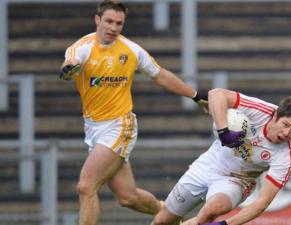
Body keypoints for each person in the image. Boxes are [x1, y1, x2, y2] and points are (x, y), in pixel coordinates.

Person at [59, 1, 207, 225]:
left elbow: (161, 75)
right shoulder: (83, 47)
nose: (114, 27)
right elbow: (71, 63)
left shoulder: (131, 50)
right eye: (109, 21)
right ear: (97, 20)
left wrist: (195, 95)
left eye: (119, 23)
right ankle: (171, 214)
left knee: (86, 187)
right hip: (93, 127)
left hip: (120, 124)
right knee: (128, 198)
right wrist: (69, 69)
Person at [152, 88, 291, 225]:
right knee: (162, 221)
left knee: (210, 211)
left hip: (238, 180)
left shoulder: (286, 155)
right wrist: (223, 131)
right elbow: (216, 94)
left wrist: (225, 224)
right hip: (209, 164)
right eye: (286, 125)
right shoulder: (261, 111)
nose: (287, 133)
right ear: (275, 117)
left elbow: (262, 202)